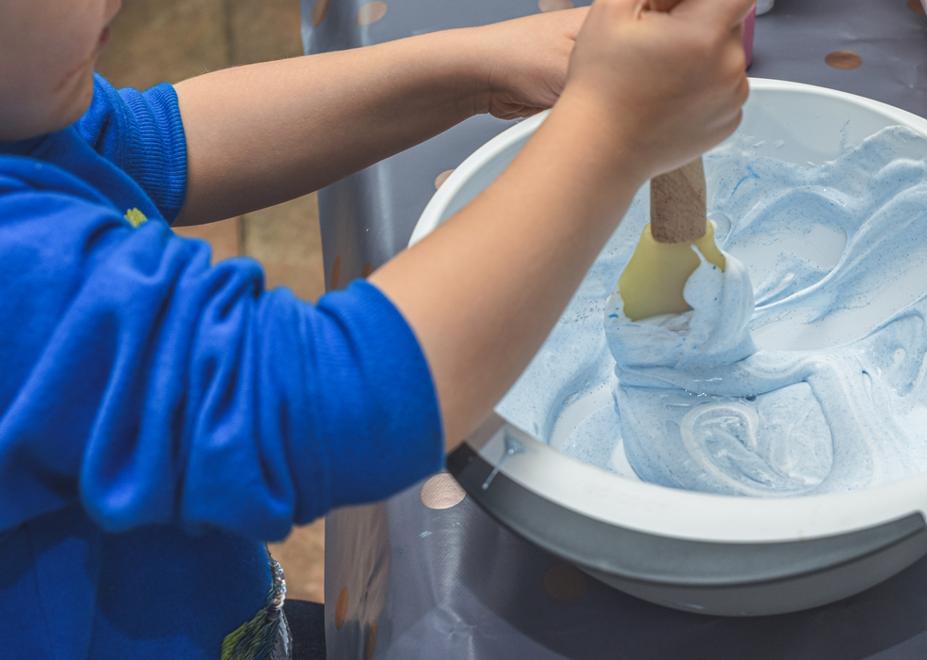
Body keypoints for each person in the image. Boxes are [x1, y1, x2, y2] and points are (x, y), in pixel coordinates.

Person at [0, 0, 751, 656]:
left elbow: (149, 141)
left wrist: (477, 66)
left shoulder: (25, 112)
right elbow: (320, 405)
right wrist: (612, 132)